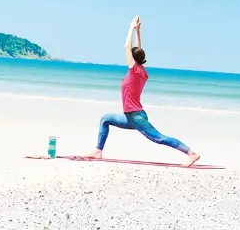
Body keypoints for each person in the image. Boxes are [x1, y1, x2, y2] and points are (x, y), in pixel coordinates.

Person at [84, 16, 201, 167]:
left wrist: (131, 28)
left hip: (136, 116)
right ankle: (98, 151)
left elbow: (127, 46)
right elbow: (138, 50)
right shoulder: (141, 71)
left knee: (159, 138)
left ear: (133, 59)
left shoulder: (134, 70)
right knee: (105, 119)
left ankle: (191, 153)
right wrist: (138, 32)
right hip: (131, 116)